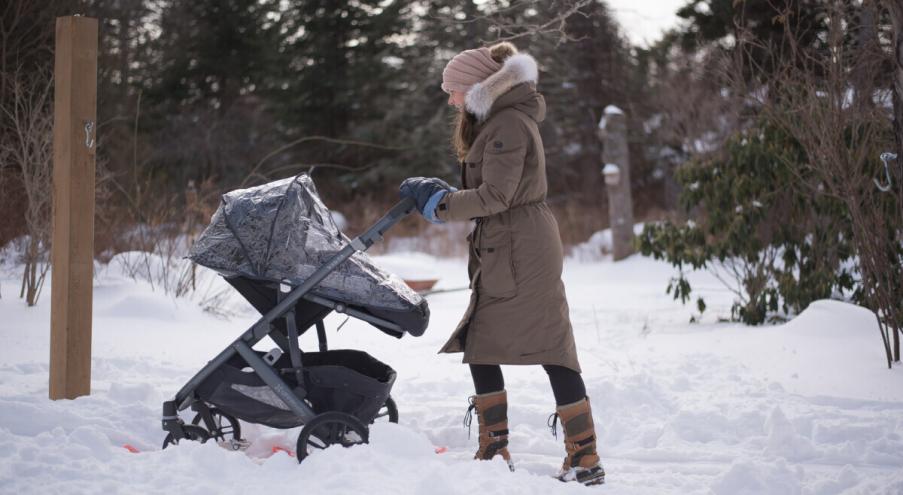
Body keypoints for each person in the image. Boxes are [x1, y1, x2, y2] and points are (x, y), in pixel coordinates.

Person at [399, 42, 605, 486]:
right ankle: (501, 449)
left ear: (475, 87)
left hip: (520, 248)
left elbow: (497, 196)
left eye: (453, 91)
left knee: (548, 345)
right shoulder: (498, 121)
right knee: (486, 342)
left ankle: (581, 457)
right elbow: (493, 189)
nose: (450, 99)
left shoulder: (507, 123)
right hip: (507, 244)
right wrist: (444, 193)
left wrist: (439, 205)